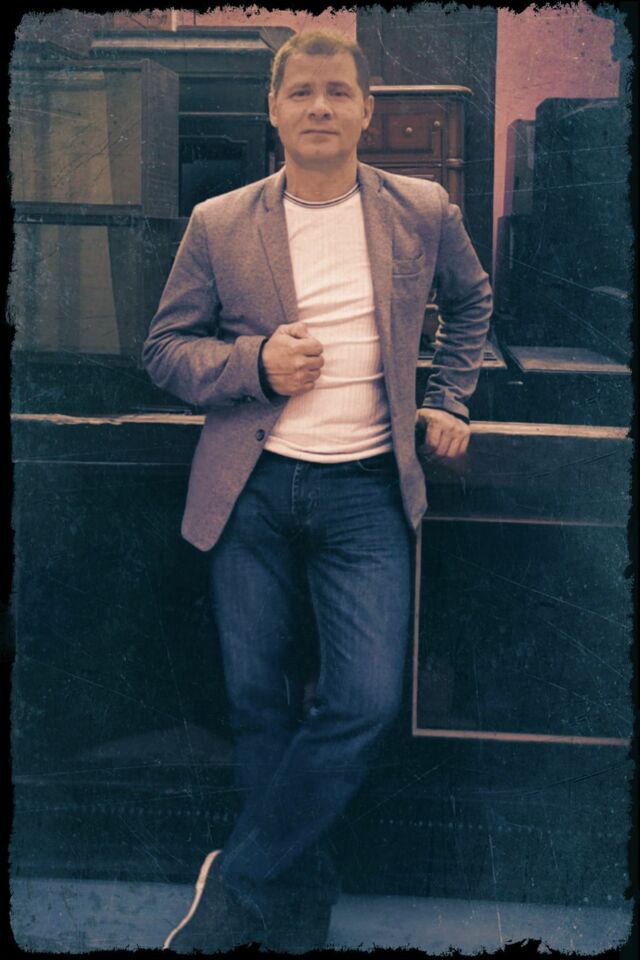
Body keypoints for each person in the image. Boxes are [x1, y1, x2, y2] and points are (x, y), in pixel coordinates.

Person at [142, 28, 492, 954]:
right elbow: (164, 350)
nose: (320, 108)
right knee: (256, 706)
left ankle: (240, 879)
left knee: (367, 700)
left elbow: (473, 303)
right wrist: (255, 362)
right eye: (301, 92)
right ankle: (292, 914)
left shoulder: (422, 208)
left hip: (367, 491)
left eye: (338, 92)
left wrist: (450, 396)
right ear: (274, 109)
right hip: (250, 493)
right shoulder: (220, 221)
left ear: (367, 109)